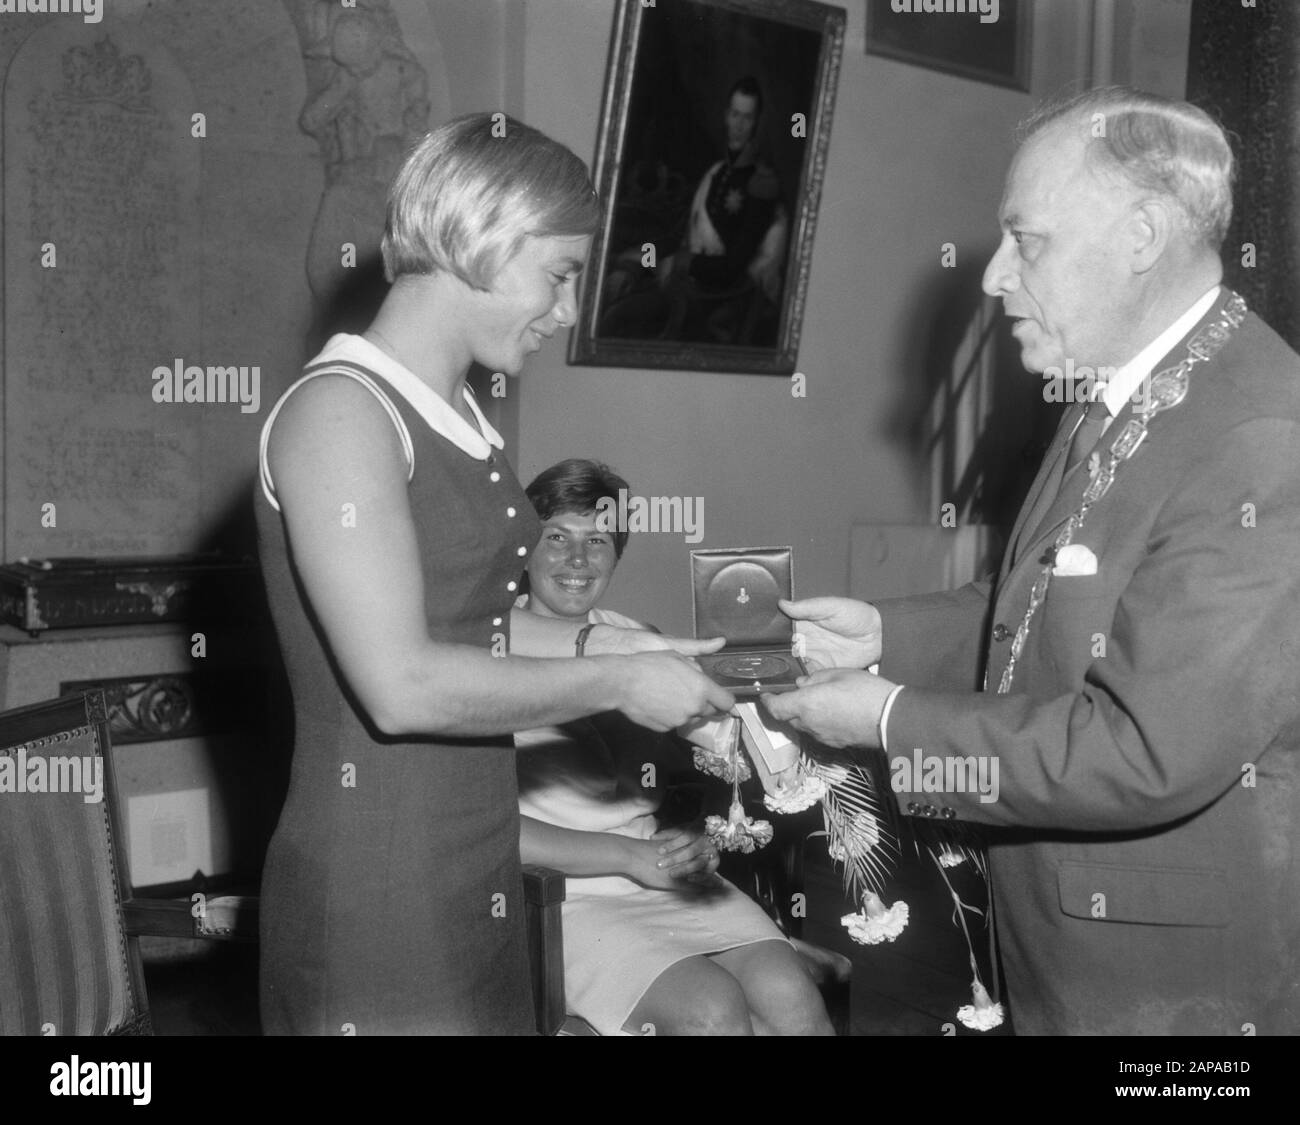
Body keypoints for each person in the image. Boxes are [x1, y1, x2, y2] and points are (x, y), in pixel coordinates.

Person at [765, 87, 1300, 1035]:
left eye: (1030, 240)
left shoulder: (1262, 436)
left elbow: (1143, 752)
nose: (994, 276)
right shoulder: (1119, 386)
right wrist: (887, 635)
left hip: (1176, 992)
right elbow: (1039, 603)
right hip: (1070, 948)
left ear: (1142, 234)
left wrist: (889, 720)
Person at [255, 114, 732, 1035]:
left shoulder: (459, 409)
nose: (563, 311)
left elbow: (475, 626)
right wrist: (619, 680)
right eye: (558, 276)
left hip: (476, 862)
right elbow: (400, 685)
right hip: (381, 887)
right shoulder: (341, 415)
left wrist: (653, 649)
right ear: (481, 237)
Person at [513, 458, 833, 1035]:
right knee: (711, 1011)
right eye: (555, 537)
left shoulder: (643, 643)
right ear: (523, 549)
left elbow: (688, 779)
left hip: (658, 873)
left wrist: (691, 844)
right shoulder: (486, 655)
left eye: (599, 541)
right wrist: (633, 858)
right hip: (555, 893)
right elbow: (486, 831)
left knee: (793, 998)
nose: (578, 560)